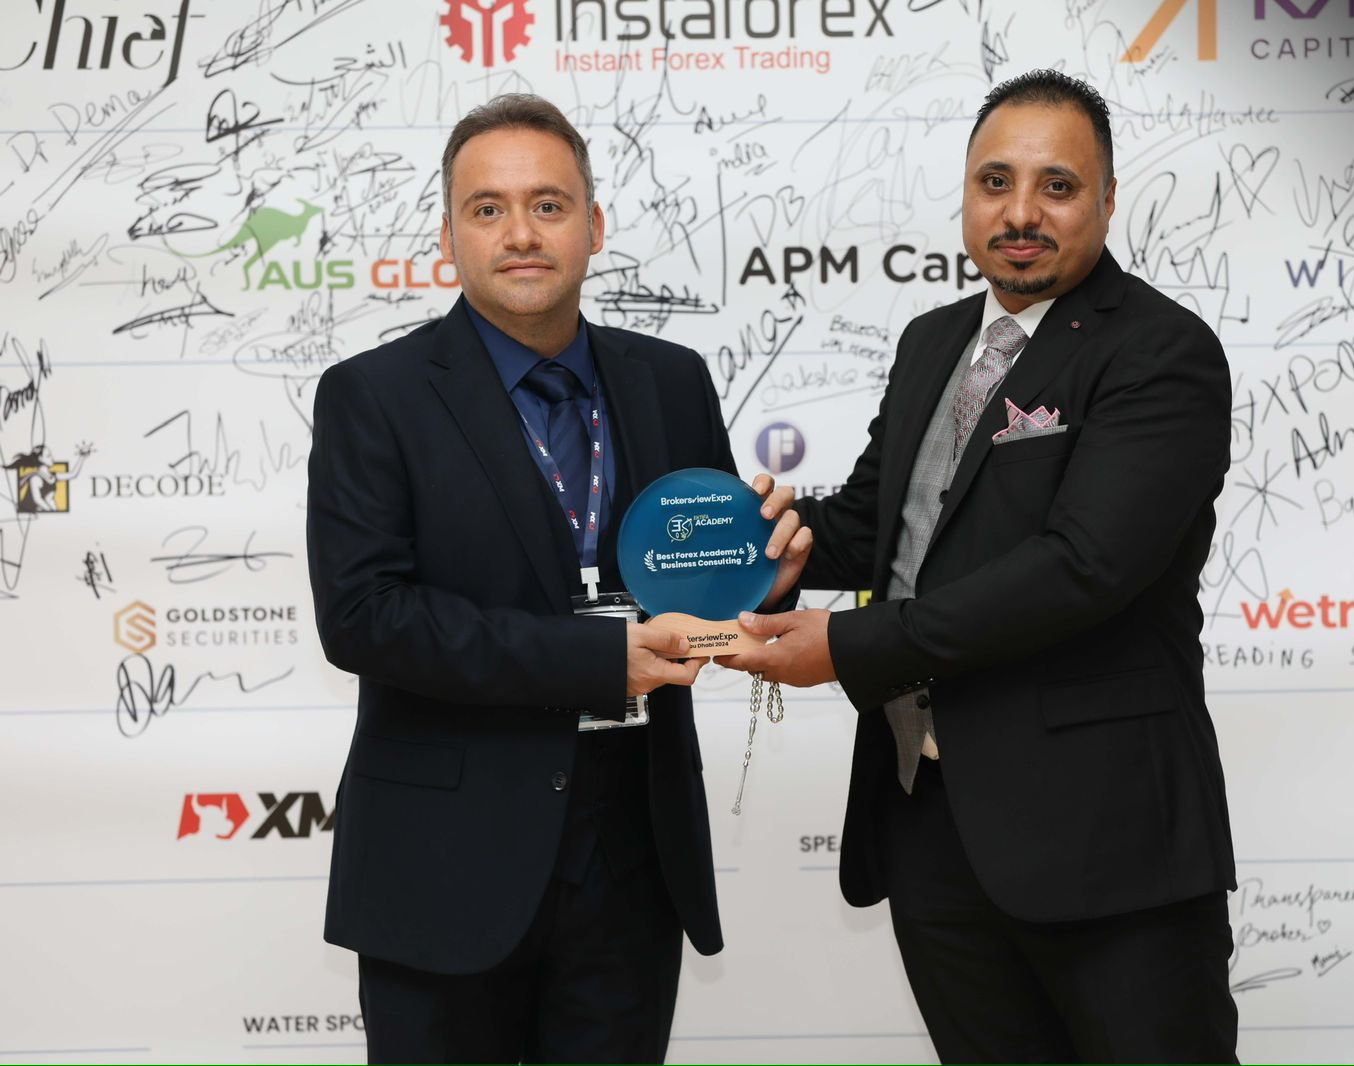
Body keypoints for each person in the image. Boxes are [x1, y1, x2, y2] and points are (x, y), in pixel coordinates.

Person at [725, 70, 1239, 1063]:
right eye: (995, 182)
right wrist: (767, 550)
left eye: (1057, 186)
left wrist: (847, 646)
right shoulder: (933, 342)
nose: (1021, 213)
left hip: (1104, 838)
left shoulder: (1160, 352)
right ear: (965, 194)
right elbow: (879, 524)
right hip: (930, 821)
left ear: (1107, 201)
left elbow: (1082, 568)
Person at [306, 93, 807, 1064]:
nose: (522, 233)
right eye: (487, 208)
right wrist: (597, 658)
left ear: (594, 225)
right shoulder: (374, 395)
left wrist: (763, 584)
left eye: (548, 203)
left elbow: (694, 594)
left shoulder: (671, 379)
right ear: (448, 236)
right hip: (443, 867)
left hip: (631, 859)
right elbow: (365, 616)